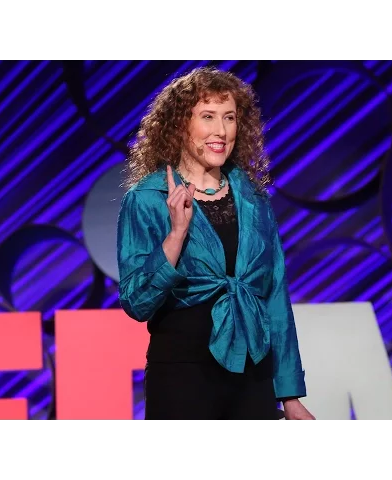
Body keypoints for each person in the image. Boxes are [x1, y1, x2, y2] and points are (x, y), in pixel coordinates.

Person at [116, 65, 315, 420]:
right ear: (180, 124)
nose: (221, 131)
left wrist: (289, 395)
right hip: (182, 377)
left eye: (229, 117)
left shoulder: (254, 199)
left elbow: (275, 297)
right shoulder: (146, 199)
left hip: (252, 373)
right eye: (207, 116)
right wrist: (176, 234)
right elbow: (137, 302)